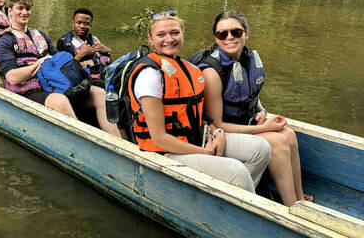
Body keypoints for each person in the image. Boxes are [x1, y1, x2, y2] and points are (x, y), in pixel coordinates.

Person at [126, 10, 271, 192]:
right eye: (161, 35)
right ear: (150, 39)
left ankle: (225, 202)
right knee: (236, 172)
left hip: (194, 139)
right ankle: (242, 206)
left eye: (175, 33)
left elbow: (199, 114)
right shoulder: (149, 75)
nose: (169, 39)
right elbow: (159, 138)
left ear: (182, 34)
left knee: (261, 149)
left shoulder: (189, 69)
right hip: (165, 152)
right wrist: (206, 152)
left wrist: (217, 132)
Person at [200, 10, 313, 205]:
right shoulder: (212, 72)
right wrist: (264, 128)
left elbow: (251, 95)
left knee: (289, 135)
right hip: (220, 133)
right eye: (222, 34)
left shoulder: (249, 58)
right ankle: (292, 207)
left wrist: (262, 111)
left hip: (245, 124)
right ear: (216, 39)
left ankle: (299, 196)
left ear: (246, 33)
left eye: (236, 32)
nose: (230, 38)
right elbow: (217, 125)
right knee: (277, 141)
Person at [0, 0, 121, 138]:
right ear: (10, 11)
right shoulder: (5, 40)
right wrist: (38, 65)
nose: (24, 12)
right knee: (59, 100)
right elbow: (12, 77)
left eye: (28, 9)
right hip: (27, 91)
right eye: (20, 8)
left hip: (54, 84)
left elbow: (59, 60)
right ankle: (84, 143)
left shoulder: (40, 34)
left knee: (99, 93)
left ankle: (117, 142)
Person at [57, 8, 111, 88]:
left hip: (103, 78)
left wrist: (108, 51)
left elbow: (111, 64)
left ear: (90, 26)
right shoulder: (64, 43)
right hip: (82, 83)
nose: (82, 26)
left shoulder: (94, 40)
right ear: (73, 24)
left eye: (86, 23)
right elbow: (60, 70)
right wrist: (82, 54)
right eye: (79, 22)